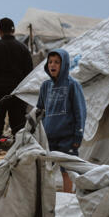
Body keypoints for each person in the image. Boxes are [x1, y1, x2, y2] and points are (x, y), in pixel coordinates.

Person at [0, 16, 34, 171]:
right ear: (13, 30)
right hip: (17, 96)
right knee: (18, 127)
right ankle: (18, 161)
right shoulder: (22, 49)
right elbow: (29, 75)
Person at [36, 49, 86, 192]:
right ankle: (47, 200)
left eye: (57, 62)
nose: (53, 65)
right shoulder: (46, 86)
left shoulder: (72, 85)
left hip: (67, 137)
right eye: (50, 62)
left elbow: (80, 111)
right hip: (48, 137)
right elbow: (40, 109)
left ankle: (68, 198)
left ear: (64, 65)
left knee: (67, 171)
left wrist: (78, 135)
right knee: (46, 170)